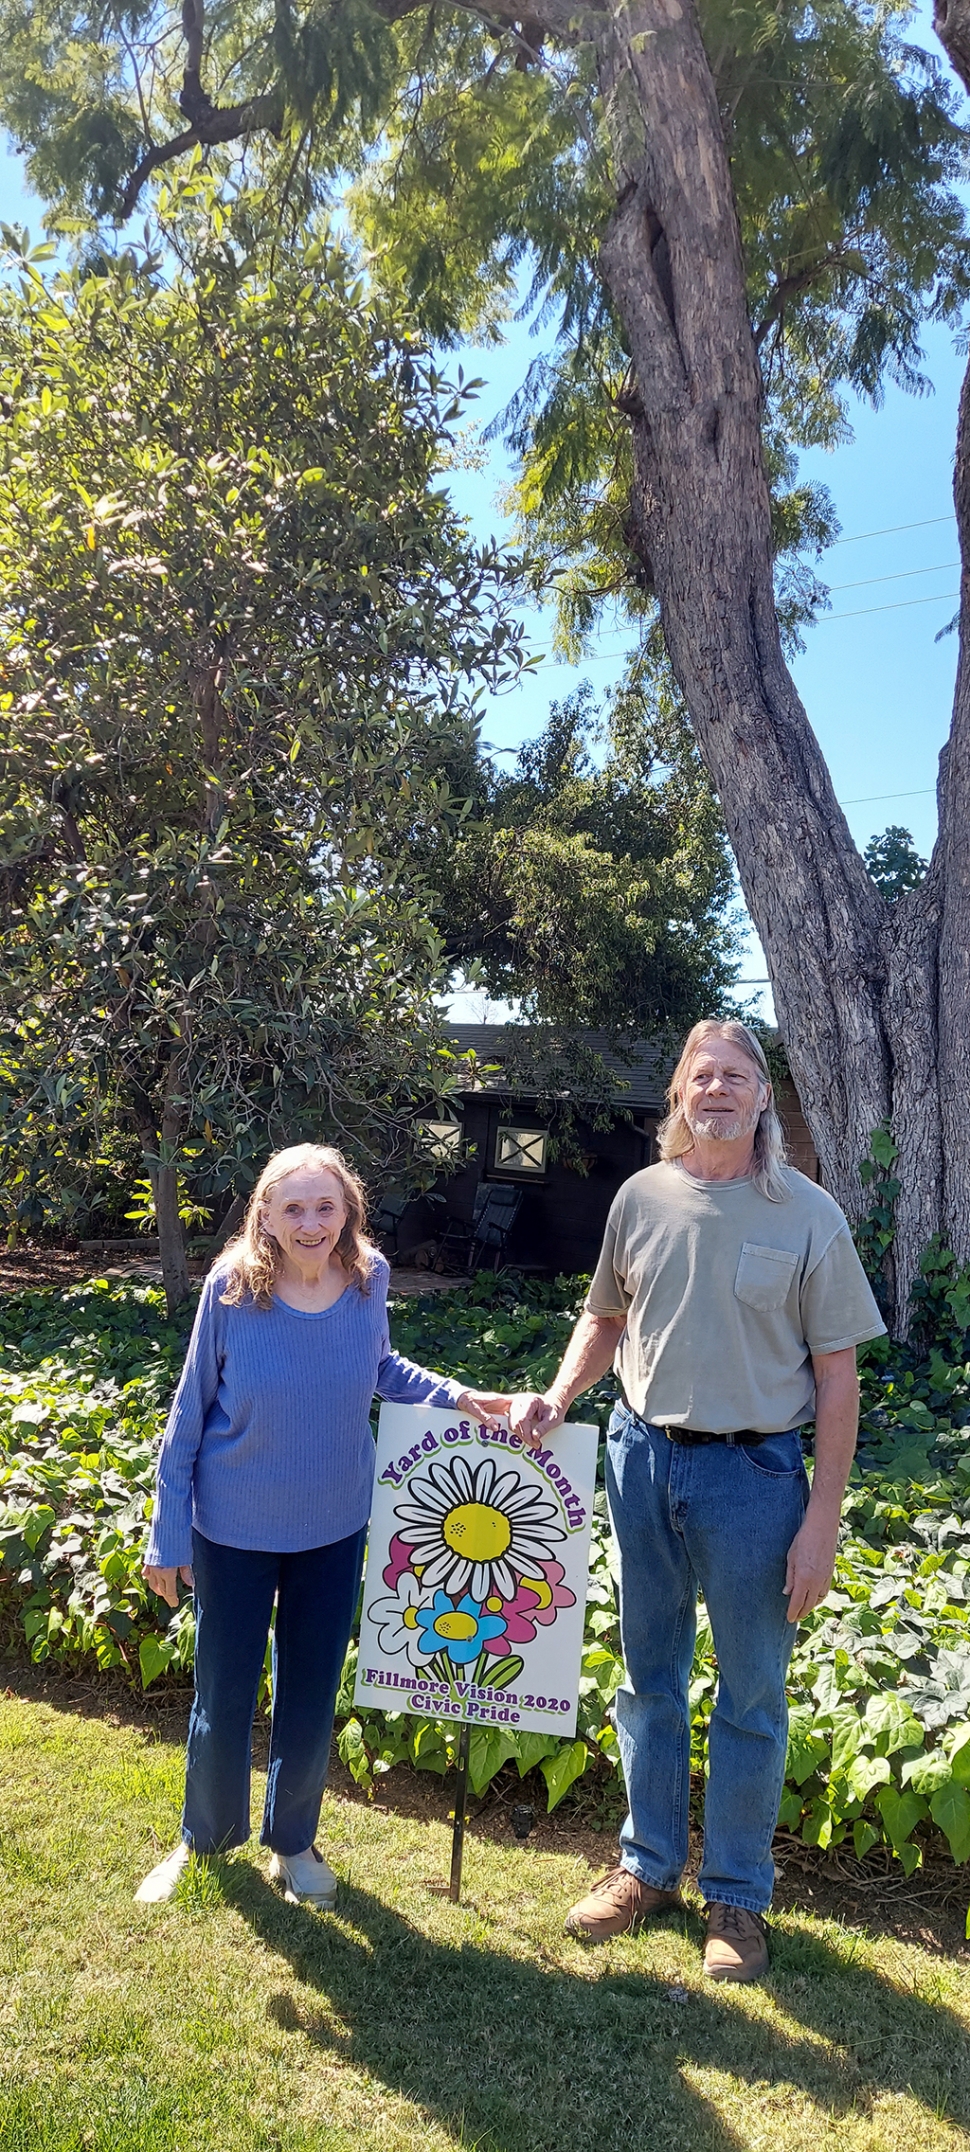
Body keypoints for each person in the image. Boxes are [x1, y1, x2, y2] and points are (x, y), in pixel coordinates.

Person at [509, 1021, 885, 1982]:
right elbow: (606, 1318)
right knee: (649, 1681)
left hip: (754, 1480)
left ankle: (737, 1900)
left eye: (736, 1076)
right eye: (700, 1075)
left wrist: (821, 1524)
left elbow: (837, 1382)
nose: (716, 1089)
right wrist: (558, 1398)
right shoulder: (641, 1199)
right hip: (641, 1463)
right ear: (680, 1095)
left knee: (753, 1696)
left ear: (763, 1097)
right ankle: (647, 1870)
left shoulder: (809, 1215)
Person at [137, 1142, 509, 1908]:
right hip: (232, 1529)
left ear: (349, 1213)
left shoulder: (368, 1280)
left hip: (333, 1529)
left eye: (325, 1208)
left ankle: (294, 1843)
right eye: (294, 1208)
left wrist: (459, 1395)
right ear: (265, 1215)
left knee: (309, 1694)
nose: (310, 1224)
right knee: (223, 1692)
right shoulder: (232, 1289)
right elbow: (188, 1409)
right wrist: (167, 1534)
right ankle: (201, 1839)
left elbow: (379, 1367)